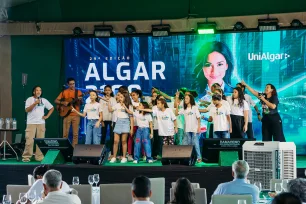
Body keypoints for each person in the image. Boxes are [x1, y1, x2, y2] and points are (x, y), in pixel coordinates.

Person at [22, 86, 54, 162]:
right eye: (37, 90)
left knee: (40, 141)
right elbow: (27, 110)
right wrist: (35, 103)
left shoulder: (44, 100)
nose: (39, 92)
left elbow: (52, 108)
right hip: (31, 123)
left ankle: (39, 157)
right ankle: (26, 157)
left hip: (41, 123)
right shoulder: (29, 99)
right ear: (34, 92)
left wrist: (47, 116)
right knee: (29, 141)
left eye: (40, 90)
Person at [55, 78, 83, 147]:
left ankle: (74, 149)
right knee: (65, 134)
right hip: (66, 115)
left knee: (75, 134)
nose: (72, 85)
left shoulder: (78, 92)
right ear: (68, 84)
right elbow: (56, 101)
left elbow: (81, 103)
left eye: (73, 84)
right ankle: (65, 148)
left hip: (76, 114)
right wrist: (63, 102)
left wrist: (80, 100)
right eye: (70, 84)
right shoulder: (64, 92)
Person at [109, 92, 134, 163]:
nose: (120, 98)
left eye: (121, 97)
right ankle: (114, 157)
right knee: (116, 141)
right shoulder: (117, 105)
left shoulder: (129, 105)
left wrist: (131, 128)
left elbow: (131, 116)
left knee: (123, 141)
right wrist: (108, 102)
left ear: (125, 98)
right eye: (119, 97)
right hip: (118, 122)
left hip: (126, 122)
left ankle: (124, 157)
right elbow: (110, 110)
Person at [176, 94, 202, 163]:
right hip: (187, 129)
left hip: (194, 129)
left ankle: (199, 157)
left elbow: (198, 118)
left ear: (190, 99)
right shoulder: (184, 109)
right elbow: (176, 113)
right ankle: (191, 157)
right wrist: (177, 105)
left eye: (187, 98)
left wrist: (199, 127)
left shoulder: (194, 107)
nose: (185, 100)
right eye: (185, 99)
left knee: (195, 143)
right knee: (189, 144)